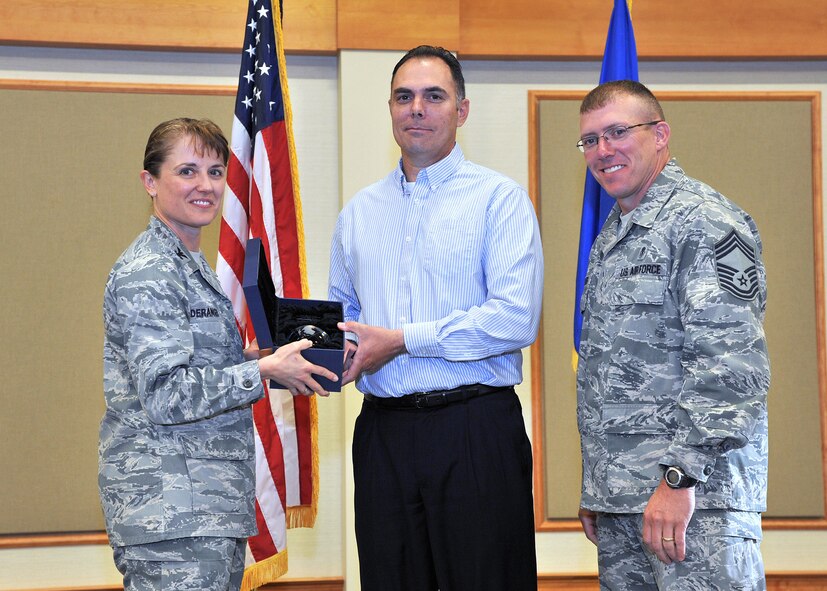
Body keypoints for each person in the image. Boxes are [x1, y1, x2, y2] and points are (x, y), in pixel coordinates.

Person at [328, 45, 544, 591]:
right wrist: (308, 355)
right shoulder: (357, 214)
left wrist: (402, 341)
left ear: (461, 110)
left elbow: (515, 319)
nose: (416, 108)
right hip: (383, 436)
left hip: (474, 430)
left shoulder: (499, 200)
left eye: (433, 96)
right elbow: (347, 321)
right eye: (404, 96)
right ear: (390, 109)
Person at [99, 118, 336, 591]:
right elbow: (167, 395)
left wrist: (262, 359)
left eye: (214, 171)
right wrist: (262, 369)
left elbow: (196, 370)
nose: (205, 185)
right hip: (170, 518)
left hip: (206, 509)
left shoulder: (188, 266)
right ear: (150, 181)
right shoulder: (150, 272)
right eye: (187, 171)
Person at [575, 80, 770, 590]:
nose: (603, 150)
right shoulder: (614, 235)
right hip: (624, 503)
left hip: (695, 506)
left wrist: (678, 478)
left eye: (618, 132)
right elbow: (609, 370)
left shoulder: (704, 222)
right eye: (590, 140)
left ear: (660, 134)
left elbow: (731, 369)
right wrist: (601, 485)